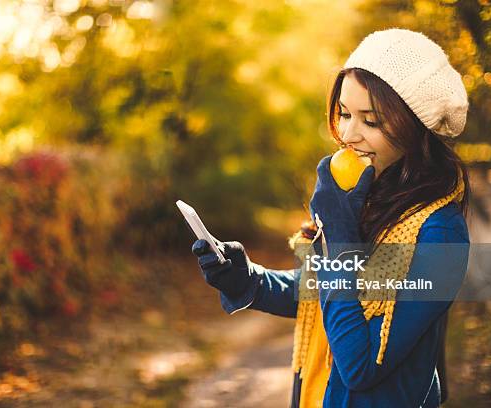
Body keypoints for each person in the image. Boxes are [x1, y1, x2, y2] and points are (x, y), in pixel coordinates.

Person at [191, 28, 471, 408]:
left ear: (414, 128)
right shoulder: (366, 197)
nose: (348, 134)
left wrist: (341, 240)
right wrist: (247, 279)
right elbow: (321, 294)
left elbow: (360, 365)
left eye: (370, 121)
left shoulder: (440, 233)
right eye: (344, 114)